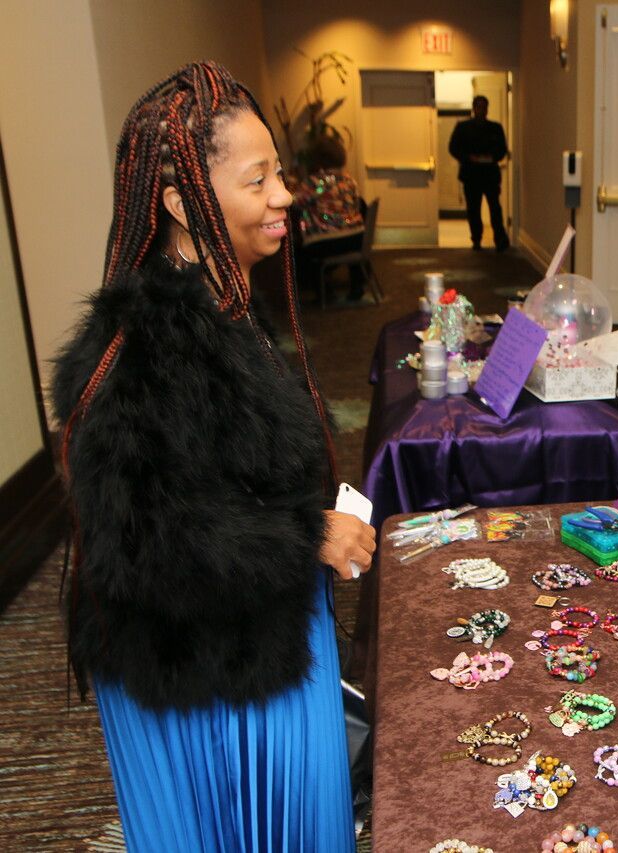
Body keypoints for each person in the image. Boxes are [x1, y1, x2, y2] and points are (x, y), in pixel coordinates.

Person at [52, 62, 375, 852]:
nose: (284, 196)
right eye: (257, 178)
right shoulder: (141, 344)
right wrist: (307, 537)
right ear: (178, 201)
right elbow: (143, 544)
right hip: (209, 683)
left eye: (280, 174)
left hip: (256, 648)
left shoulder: (223, 305)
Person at [292, 134, 366, 301]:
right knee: (349, 235)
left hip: (326, 242)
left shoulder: (313, 182)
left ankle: (325, 293)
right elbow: (359, 204)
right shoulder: (350, 180)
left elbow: (296, 203)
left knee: (300, 251)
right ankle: (357, 286)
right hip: (356, 238)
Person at [448, 94, 510, 251]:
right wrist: (468, 158)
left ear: (487, 109)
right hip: (471, 175)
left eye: (484, 107)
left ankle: (500, 238)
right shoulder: (463, 128)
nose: (481, 110)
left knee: (495, 208)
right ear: (474, 108)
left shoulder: (495, 128)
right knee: (473, 210)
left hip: (490, 175)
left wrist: (491, 157)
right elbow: (453, 148)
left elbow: (502, 150)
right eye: (478, 107)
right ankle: (476, 238)